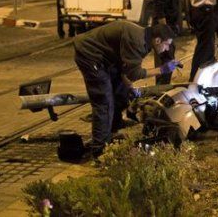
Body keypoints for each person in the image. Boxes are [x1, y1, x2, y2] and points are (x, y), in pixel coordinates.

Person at [73, 21, 178, 156]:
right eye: (167, 44)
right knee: (104, 102)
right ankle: (99, 149)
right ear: (158, 40)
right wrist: (162, 69)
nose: (167, 48)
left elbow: (125, 67)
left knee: (121, 92)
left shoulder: (144, 40)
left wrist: (129, 87)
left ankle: (111, 132)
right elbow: (134, 73)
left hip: (106, 58)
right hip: (90, 55)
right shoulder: (138, 42)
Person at [149, 0, 185, 84]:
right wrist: (166, 37)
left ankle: (162, 90)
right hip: (162, 32)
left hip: (167, 31)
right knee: (164, 65)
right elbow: (160, 13)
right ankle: (160, 92)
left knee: (167, 64)